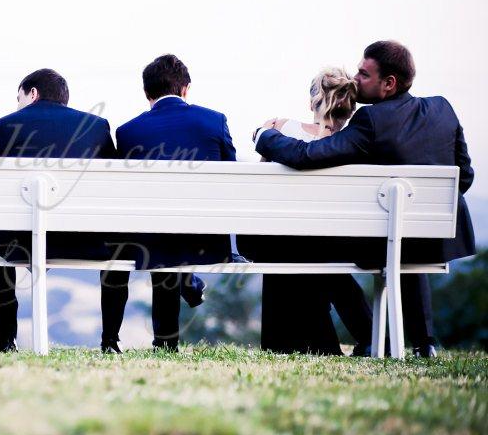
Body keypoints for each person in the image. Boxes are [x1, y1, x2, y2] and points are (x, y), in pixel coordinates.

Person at [255, 41, 476, 357]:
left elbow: (307, 155)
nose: (356, 79)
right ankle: (424, 343)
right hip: (436, 239)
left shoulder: (371, 120)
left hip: (384, 242)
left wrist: (265, 136)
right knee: (404, 232)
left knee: (317, 246)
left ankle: (370, 335)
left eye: (364, 74)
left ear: (389, 83)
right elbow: (464, 176)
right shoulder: (442, 109)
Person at [104, 54, 237, 352]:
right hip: (206, 239)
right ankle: (183, 288)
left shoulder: (128, 132)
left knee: (161, 236)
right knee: (171, 238)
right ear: (185, 89)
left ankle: (164, 339)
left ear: (147, 93)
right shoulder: (214, 121)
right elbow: (232, 175)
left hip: (151, 239)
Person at [0, 68, 122, 353]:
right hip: (86, 241)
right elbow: (111, 186)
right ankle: (110, 341)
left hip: (20, 243)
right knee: (118, 242)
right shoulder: (96, 126)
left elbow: (3, 187)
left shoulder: (6, 126)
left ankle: (5, 339)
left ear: (33, 93)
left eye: (19, 98)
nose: (18, 106)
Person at [242, 68, 373, 354]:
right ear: (349, 107)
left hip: (277, 241)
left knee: (298, 247)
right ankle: (363, 337)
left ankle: (299, 343)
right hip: (330, 242)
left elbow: (260, 182)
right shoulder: (352, 143)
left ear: (311, 102)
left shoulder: (280, 130)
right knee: (319, 250)